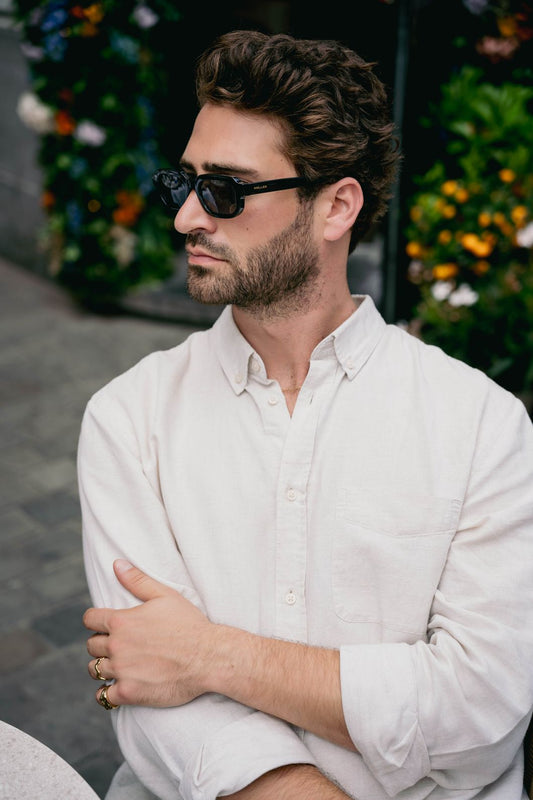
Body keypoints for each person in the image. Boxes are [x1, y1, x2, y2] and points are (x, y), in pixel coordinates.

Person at [79, 29, 533, 800]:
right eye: (181, 182)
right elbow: (148, 689)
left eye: (224, 189)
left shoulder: (481, 425)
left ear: (335, 207)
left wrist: (211, 656)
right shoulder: (129, 417)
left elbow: (480, 708)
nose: (188, 217)